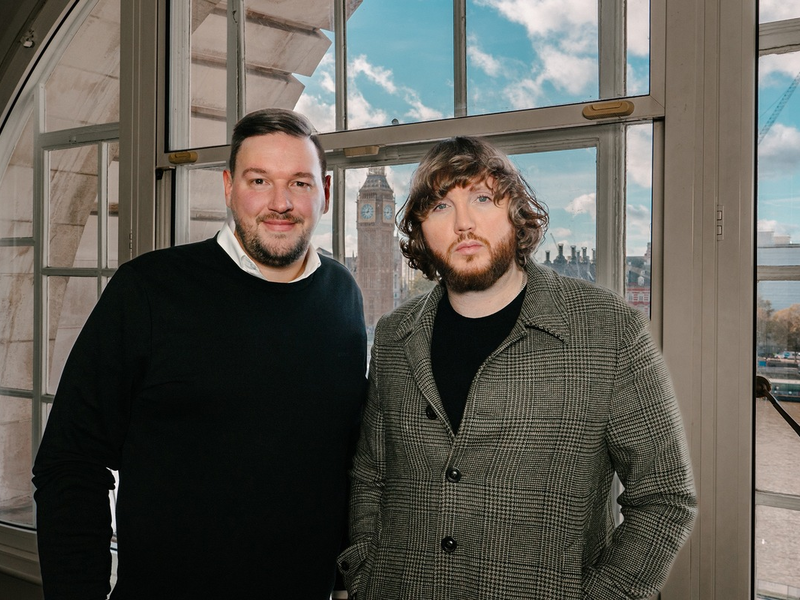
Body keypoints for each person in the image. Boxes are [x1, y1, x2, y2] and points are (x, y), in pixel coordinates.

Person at [338, 136, 697, 600]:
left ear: (517, 213)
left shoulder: (608, 330)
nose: (464, 223)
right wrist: (365, 571)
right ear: (421, 229)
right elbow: (372, 474)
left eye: (483, 199)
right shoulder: (393, 336)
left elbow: (665, 497)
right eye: (441, 207)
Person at [32, 108, 368, 599]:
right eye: (259, 180)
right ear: (229, 187)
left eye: (299, 183)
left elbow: (340, 458)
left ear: (326, 193)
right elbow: (70, 462)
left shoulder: (343, 293)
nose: (280, 202)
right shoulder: (148, 290)